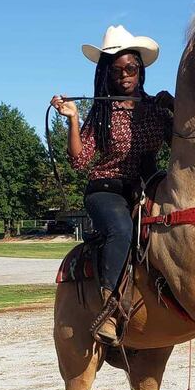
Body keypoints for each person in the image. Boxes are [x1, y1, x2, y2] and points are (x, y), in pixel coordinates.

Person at [51, 25, 174, 343]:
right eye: (116, 69)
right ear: (107, 73)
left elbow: (179, 145)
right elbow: (79, 162)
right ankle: (109, 307)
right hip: (106, 189)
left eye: (131, 67)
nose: (124, 75)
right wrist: (73, 119)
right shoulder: (102, 112)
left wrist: (174, 109)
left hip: (146, 185)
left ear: (140, 70)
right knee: (121, 230)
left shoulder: (155, 109)